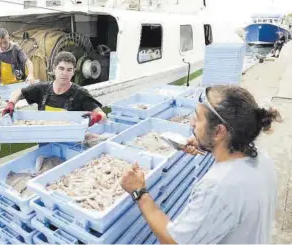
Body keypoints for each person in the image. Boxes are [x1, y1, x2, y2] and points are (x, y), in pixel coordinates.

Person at [121, 85, 282, 244]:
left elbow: (173, 241)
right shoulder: (262, 159)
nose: (191, 123)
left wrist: (140, 193)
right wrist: (209, 144)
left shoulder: (217, 188)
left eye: (198, 118)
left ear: (219, 131)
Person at [2, 51, 106, 126]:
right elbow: (18, 92)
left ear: (74, 72)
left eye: (69, 70)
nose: (64, 73)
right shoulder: (42, 89)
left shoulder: (80, 93)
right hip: (44, 142)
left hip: (69, 143)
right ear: (54, 68)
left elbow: (103, 116)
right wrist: (11, 104)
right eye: (61, 68)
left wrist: (96, 117)